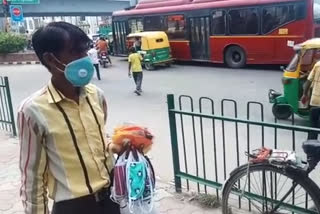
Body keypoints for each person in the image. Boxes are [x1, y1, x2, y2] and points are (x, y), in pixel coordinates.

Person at [17, 22, 123, 214]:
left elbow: (98, 140)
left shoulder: (96, 96)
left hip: (112, 199)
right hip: (74, 207)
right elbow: (32, 176)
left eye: (85, 51)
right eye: (76, 52)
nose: (85, 58)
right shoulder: (33, 111)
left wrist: (117, 144)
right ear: (51, 59)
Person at [302, 61, 320, 139]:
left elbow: (308, 81)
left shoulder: (318, 65)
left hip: (315, 101)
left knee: (313, 126)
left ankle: (311, 145)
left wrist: (304, 94)